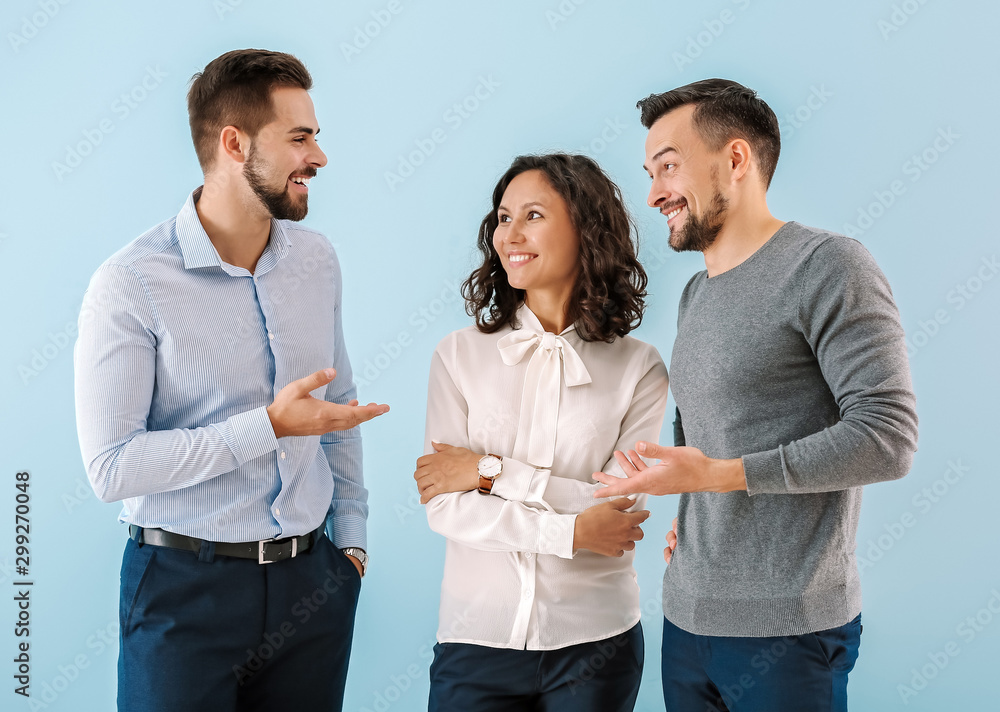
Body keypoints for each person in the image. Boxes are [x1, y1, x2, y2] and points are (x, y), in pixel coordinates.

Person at [73, 49, 388, 711]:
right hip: (183, 592)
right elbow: (111, 467)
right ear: (234, 143)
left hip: (312, 585)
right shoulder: (132, 283)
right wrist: (266, 428)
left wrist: (350, 547)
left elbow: (339, 409)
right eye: (299, 137)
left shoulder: (317, 260)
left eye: (317, 137)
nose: (319, 157)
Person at [592, 79, 919, 711]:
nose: (655, 192)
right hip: (687, 622)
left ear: (736, 159)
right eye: (649, 173)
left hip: (789, 632)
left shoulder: (829, 267)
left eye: (668, 167)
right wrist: (695, 515)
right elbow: (705, 436)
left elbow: (887, 437)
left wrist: (720, 477)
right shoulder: (696, 294)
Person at [413, 153, 669, 711]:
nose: (511, 234)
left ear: (586, 229)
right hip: (475, 638)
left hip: (596, 642)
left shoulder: (640, 368)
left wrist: (489, 472)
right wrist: (571, 534)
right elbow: (446, 507)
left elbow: (618, 506)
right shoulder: (458, 356)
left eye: (532, 215)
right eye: (504, 218)